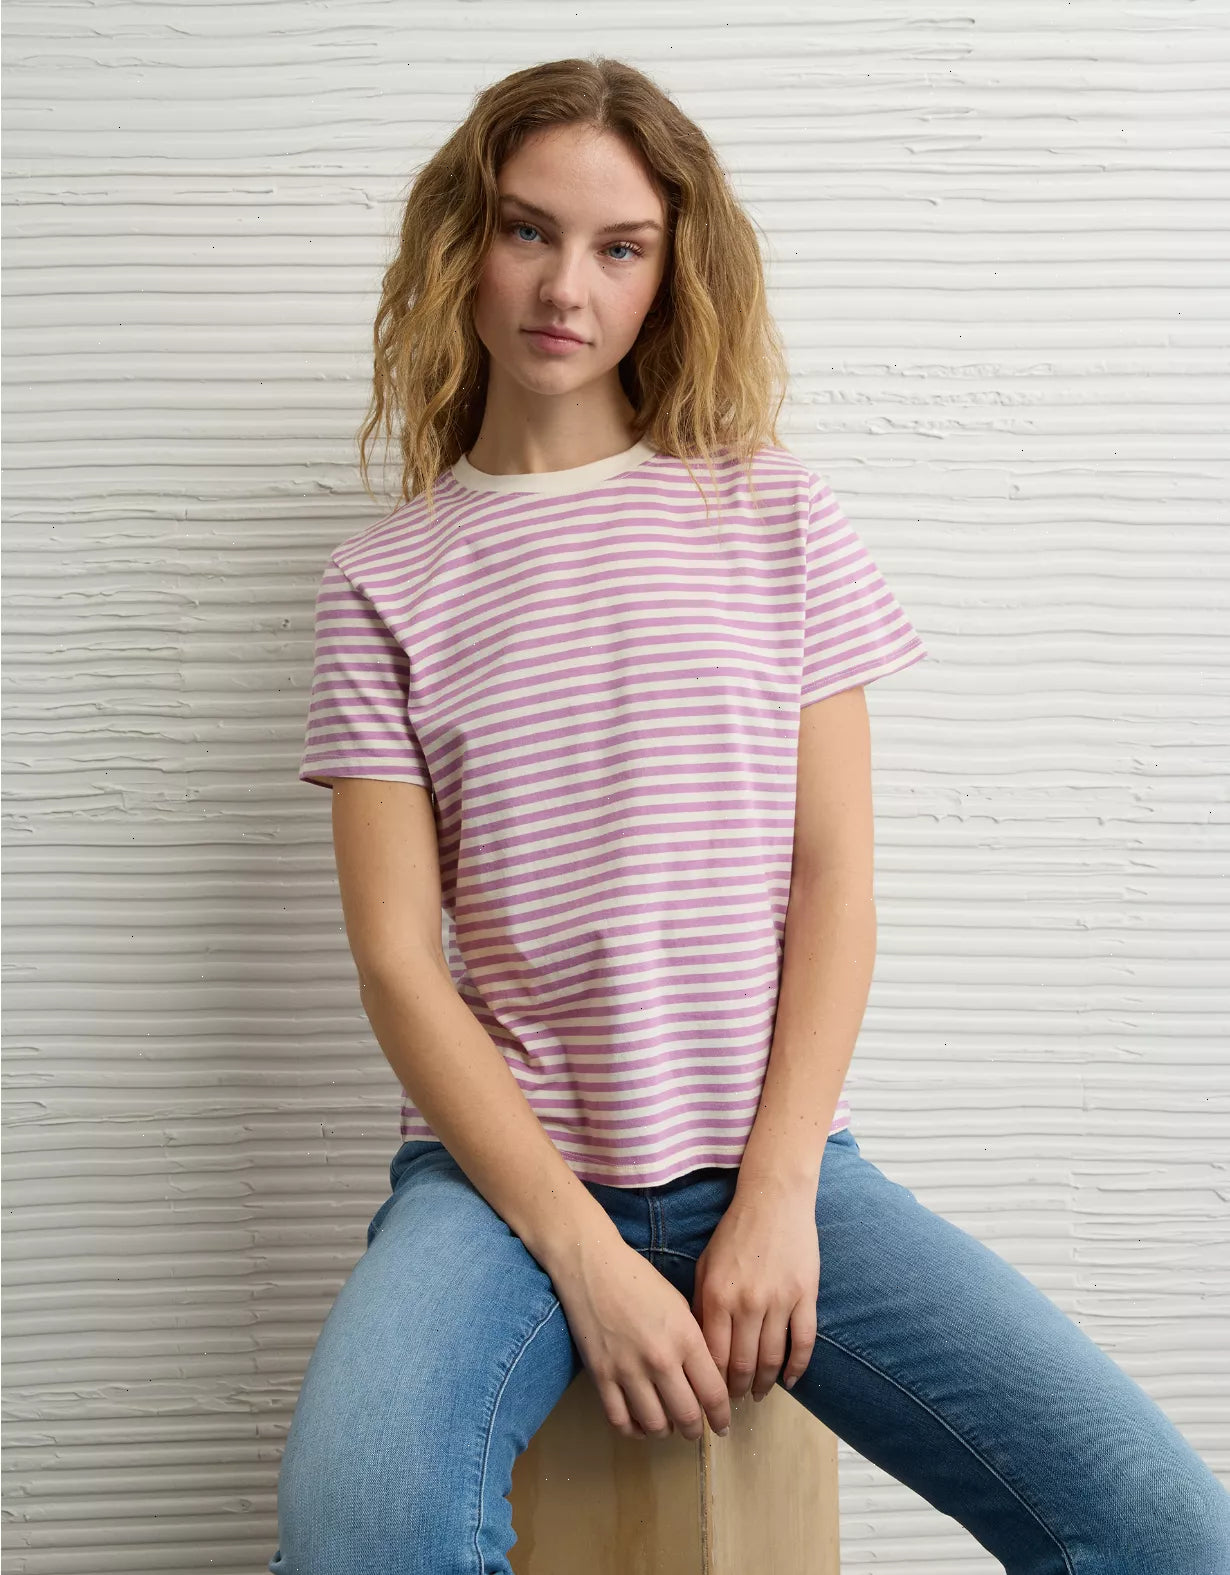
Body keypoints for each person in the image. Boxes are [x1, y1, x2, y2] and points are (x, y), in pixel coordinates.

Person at [270, 56, 1230, 1575]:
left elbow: (834, 881)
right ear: (463, 243)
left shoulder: (773, 515)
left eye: (620, 246)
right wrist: (584, 1257)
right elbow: (398, 963)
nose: (564, 286)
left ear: (672, 270)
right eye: (526, 230)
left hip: (775, 1159)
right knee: (359, 1536)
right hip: (498, 1190)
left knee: (1164, 1530)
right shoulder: (383, 583)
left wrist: (778, 1195)